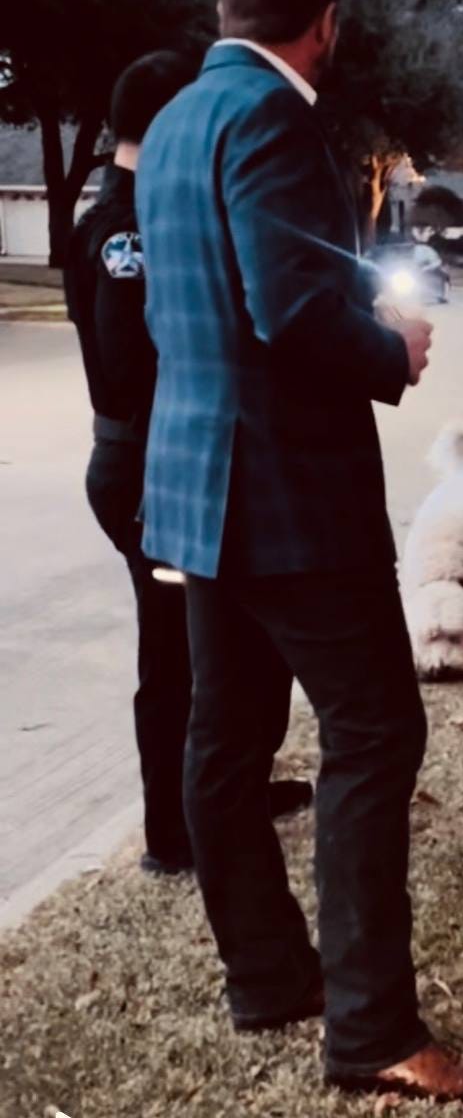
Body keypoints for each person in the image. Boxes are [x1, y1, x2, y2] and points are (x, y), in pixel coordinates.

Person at [135, 0, 463, 1100]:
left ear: (226, 4)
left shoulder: (172, 122)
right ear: (327, 22)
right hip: (289, 494)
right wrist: (390, 344)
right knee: (374, 731)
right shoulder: (272, 117)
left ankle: (266, 974)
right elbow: (289, 306)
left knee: (225, 739)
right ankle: (371, 1029)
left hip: (198, 486)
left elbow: (190, 306)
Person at [65, 52, 312, 878]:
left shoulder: (135, 210)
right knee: (174, 655)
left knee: (229, 642)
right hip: (144, 466)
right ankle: (171, 835)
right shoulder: (126, 227)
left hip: (154, 459)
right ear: (170, 122)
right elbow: (131, 360)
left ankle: (231, 791)